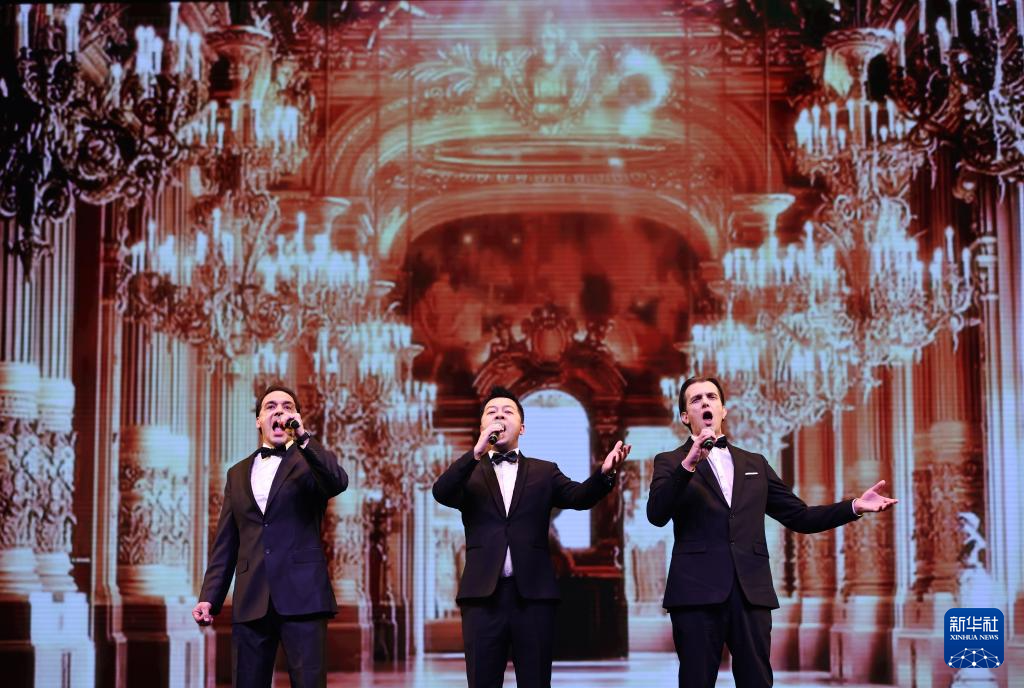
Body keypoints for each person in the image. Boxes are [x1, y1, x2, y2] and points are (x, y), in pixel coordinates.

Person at [647, 376, 897, 688]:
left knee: (757, 682)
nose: (705, 402)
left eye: (712, 397)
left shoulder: (755, 463)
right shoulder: (670, 462)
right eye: (696, 399)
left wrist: (854, 506)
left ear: (723, 410)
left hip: (751, 593)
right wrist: (689, 464)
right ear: (686, 416)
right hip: (696, 594)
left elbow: (800, 516)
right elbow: (657, 514)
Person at [432, 385, 630, 688]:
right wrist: (476, 453)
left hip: (533, 596)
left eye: (507, 411)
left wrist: (605, 474)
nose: (499, 416)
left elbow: (579, 497)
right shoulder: (469, 472)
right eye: (492, 412)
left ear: (522, 427)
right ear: (482, 426)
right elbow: (441, 492)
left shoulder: (544, 472)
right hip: (482, 598)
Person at [193, 385, 349, 688]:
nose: (279, 411)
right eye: (271, 406)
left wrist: (303, 438)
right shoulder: (236, 473)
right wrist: (209, 597)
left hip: (303, 597)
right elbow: (226, 542)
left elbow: (338, 481)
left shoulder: (310, 463)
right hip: (251, 598)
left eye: (287, 407)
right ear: (258, 420)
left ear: (297, 417)